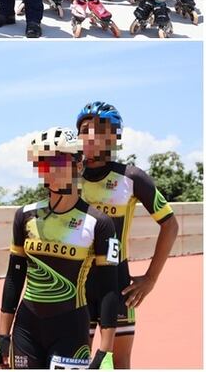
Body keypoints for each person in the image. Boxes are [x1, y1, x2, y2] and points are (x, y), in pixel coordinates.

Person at [0, 127, 119, 370]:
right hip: (26, 328)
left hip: (71, 329)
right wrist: (2, 335)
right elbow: (14, 278)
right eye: (43, 164)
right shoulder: (25, 216)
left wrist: (106, 349)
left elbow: (108, 290)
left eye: (59, 161)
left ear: (78, 164)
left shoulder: (99, 223)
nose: (51, 170)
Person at [77, 102, 178, 368]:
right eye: (84, 129)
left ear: (114, 137)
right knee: (74, 363)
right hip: (76, 284)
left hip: (117, 284)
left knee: (118, 363)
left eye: (99, 130)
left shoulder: (131, 177)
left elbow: (170, 224)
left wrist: (151, 279)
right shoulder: (69, 178)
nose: (90, 136)